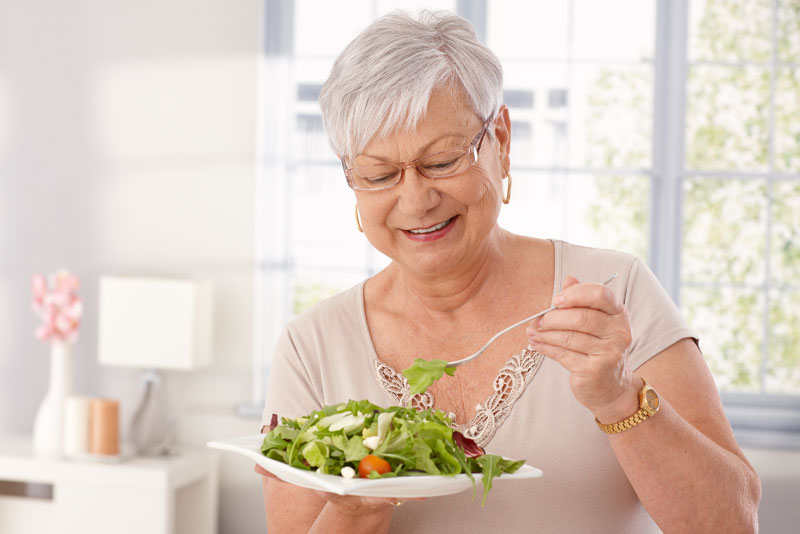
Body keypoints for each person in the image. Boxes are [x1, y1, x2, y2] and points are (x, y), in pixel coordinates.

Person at [258, 10, 760, 534]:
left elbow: (733, 522)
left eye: (443, 160)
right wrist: (353, 504)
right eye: (379, 174)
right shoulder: (310, 346)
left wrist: (618, 397)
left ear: (500, 138)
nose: (416, 199)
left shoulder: (615, 292)